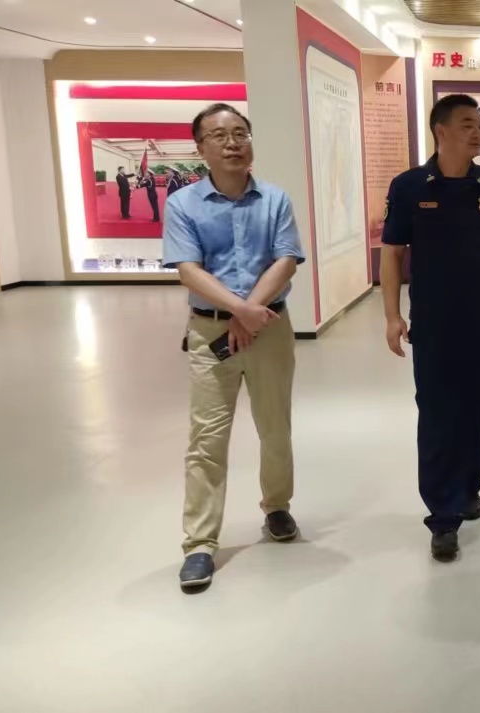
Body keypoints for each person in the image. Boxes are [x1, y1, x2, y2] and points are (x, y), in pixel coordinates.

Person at [163, 103, 306, 590]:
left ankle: (278, 506)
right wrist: (239, 310)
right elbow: (188, 269)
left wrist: (250, 312)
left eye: (240, 133)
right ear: (200, 147)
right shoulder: (183, 204)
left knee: (275, 428)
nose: (232, 143)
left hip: (269, 327)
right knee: (207, 439)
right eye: (219, 135)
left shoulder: (275, 199)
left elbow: (286, 260)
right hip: (210, 332)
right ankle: (200, 544)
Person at [381, 94, 480, 563]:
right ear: (440, 131)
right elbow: (392, 253)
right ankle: (443, 518)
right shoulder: (409, 187)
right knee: (439, 416)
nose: (478, 132)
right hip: (433, 325)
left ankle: (469, 486)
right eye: (467, 124)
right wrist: (392, 315)